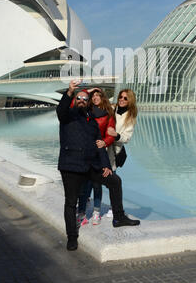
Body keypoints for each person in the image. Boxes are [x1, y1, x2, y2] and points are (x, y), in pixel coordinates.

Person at [56, 80, 140, 251]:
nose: (81, 100)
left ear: (88, 103)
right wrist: (71, 91)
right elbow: (61, 109)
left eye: (84, 99)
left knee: (114, 181)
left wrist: (106, 165)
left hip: (90, 166)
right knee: (71, 202)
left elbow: (99, 144)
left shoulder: (92, 121)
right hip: (71, 166)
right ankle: (72, 237)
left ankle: (118, 217)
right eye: (78, 98)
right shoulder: (67, 116)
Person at [77, 88, 116, 226]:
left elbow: (111, 133)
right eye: (93, 96)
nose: (95, 98)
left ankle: (96, 213)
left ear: (103, 97)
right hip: (85, 152)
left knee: (97, 184)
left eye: (98, 95)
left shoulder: (108, 114)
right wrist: (89, 89)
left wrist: (104, 141)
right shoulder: (86, 111)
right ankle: (81, 212)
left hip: (99, 152)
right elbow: (76, 99)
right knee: (84, 184)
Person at [106, 89, 138, 218]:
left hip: (114, 151)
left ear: (130, 100)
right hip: (102, 148)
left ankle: (113, 207)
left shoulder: (130, 116)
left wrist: (116, 135)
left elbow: (127, 138)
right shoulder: (111, 108)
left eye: (125, 98)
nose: (122, 99)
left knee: (112, 181)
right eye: (121, 97)